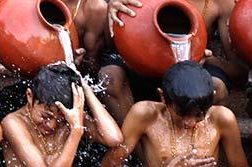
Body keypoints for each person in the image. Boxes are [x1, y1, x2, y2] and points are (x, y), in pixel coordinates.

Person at [102, 0, 247, 124]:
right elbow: (111, 43)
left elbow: (238, 71)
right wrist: (112, 9)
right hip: (141, 65)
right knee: (110, 77)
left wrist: (203, 59)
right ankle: (136, 148)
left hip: (188, 78)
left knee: (216, 87)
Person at [102, 61, 248, 167]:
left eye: (199, 114)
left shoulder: (222, 118)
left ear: (212, 97)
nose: (189, 122)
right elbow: (109, 164)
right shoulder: (145, 115)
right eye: (181, 113)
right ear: (163, 97)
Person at [2, 64, 122, 166]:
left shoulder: (71, 118)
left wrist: (86, 90)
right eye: (45, 116)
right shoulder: (13, 123)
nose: (52, 125)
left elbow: (114, 139)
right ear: (29, 96)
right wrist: (76, 131)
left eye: (60, 119)